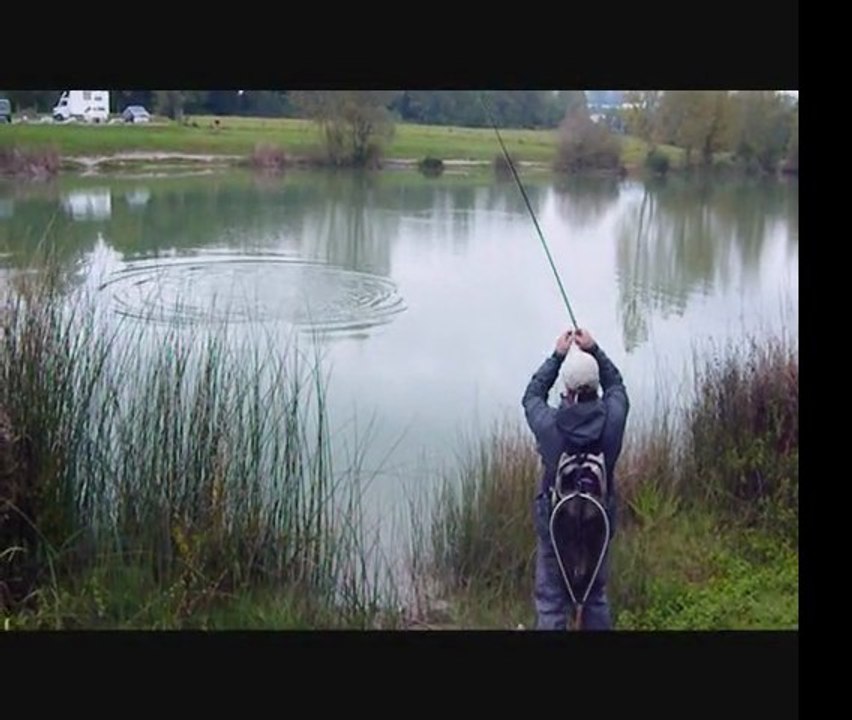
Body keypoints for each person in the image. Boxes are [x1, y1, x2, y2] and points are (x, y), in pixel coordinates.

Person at [522, 328, 629, 630]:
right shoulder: (613, 422)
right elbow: (617, 386)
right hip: (598, 523)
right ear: (595, 388)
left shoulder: (550, 427)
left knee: (552, 600)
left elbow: (531, 396)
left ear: (566, 391)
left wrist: (557, 356)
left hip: (556, 526)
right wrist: (594, 350)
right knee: (595, 595)